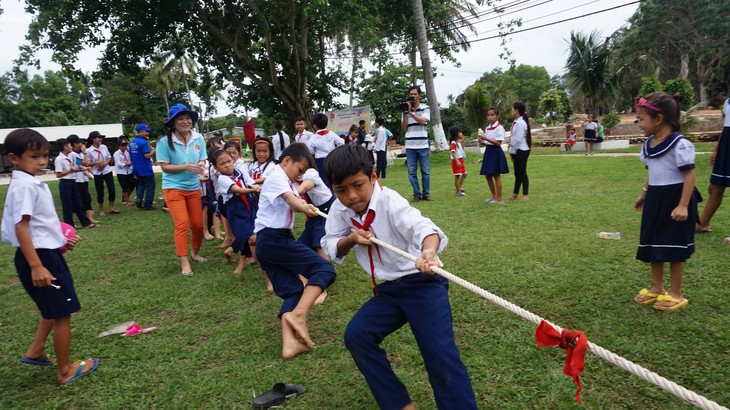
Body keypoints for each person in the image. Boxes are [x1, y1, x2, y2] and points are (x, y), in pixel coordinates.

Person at [321, 144, 477, 410]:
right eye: (341, 190)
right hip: (389, 292)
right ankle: (400, 405)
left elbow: (425, 228)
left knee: (440, 355)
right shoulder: (339, 209)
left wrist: (428, 251)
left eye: (358, 185)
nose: (351, 196)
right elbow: (330, 244)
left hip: (423, 286)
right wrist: (351, 239)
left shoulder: (389, 202)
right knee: (358, 336)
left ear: (373, 176)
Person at [1, 128, 99, 385]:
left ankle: (36, 350)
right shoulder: (24, 187)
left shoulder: (28, 182)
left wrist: (60, 238)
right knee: (62, 313)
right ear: (14, 158)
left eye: (45, 155)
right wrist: (37, 266)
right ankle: (65, 371)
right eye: (35, 156)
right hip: (39, 259)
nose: (43, 161)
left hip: (44, 254)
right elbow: (20, 227)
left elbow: (37, 224)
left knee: (51, 305)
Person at [253, 143, 336, 359]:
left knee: (293, 291)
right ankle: (299, 315)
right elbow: (292, 201)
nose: (299, 176)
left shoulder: (284, 180)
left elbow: (292, 198)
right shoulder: (276, 175)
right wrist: (305, 207)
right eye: (299, 170)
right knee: (324, 268)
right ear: (287, 160)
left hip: (267, 244)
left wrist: (304, 204)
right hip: (274, 240)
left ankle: (289, 344)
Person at [633, 92, 697, 311]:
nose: (638, 124)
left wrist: (683, 205)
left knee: (674, 246)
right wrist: (644, 193)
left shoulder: (680, 144)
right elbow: (653, 171)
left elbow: (689, 174)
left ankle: (676, 293)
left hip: (675, 199)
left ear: (658, 119)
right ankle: (657, 288)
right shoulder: (649, 145)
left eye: (641, 119)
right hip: (655, 199)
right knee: (654, 243)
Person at [155, 103, 208, 277]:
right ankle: (184, 262)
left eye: (188, 118)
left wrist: (200, 166)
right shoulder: (164, 142)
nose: (185, 122)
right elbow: (164, 167)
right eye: (181, 119)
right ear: (173, 122)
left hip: (193, 187)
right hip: (173, 188)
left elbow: (202, 159)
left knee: (198, 225)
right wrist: (185, 166)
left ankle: (195, 253)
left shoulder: (198, 138)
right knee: (182, 224)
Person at [212, 149, 261, 276]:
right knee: (248, 235)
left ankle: (239, 260)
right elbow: (238, 190)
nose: (227, 165)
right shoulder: (222, 179)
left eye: (229, 161)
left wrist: (255, 187)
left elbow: (250, 183)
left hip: (250, 206)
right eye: (222, 164)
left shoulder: (241, 171)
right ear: (216, 167)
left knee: (249, 235)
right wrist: (254, 190)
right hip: (236, 210)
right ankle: (261, 265)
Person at [696, 96, 730, 233]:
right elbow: (725, 127)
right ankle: (703, 224)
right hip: (725, 148)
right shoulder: (728, 102)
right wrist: (717, 149)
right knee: (715, 187)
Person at [54, 138, 94, 229]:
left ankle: (86, 223)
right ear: (65, 147)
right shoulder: (59, 159)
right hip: (65, 183)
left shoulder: (69, 157)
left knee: (78, 203)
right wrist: (71, 169)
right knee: (67, 205)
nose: (71, 147)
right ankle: (69, 226)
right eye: (69, 145)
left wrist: (80, 168)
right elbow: (58, 174)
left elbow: (75, 167)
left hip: (73, 181)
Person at [401, 85, 432, 202]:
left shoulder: (425, 108)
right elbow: (404, 129)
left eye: (415, 94)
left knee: (426, 171)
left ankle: (426, 193)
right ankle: (417, 194)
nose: (413, 96)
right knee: (411, 172)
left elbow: (423, 122)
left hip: (423, 145)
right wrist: (405, 114)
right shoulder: (405, 110)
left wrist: (411, 113)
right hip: (410, 146)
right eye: (411, 94)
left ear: (419, 95)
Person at [479, 107, 510, 204]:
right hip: (488, 151)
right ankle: (494, 196)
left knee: (496, 175)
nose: (490, 117)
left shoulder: (499, 127)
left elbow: (498, 142)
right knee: (488, 175)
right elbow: (486, 142)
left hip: (496, 152)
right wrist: (481, 141)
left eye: (492, 115)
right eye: (488, 115)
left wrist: (486, 138)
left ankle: (499, 198)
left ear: (497, 116)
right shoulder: (488, 128)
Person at [307, 112, 345, 188]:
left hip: (320, 162)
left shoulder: (313, 138)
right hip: (332, 159)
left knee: (324, 181)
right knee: (333, 178)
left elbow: (310, 151)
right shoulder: (331, 134)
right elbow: (342, 142)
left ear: (314, 125)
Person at [67, 135, 99, 224]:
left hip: (83, 179)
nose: (82, 145)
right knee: (80, 199)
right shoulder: (72, 154)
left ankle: (88, 217)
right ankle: (82, 218)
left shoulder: (80, 153)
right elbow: (83, 164)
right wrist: (85, 153)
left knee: (86, 198)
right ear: (75, 144)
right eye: (80, 143)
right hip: (76, 180)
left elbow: (86, 163)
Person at [87, 131, 119, 215]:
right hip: (97, 172)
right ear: (93, 139)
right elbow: (87, 163)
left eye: (101, 137)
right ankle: (101, 209)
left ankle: (111, 207)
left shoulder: (104, 147)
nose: (100, 139)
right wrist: (96, 163)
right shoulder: (89, 150)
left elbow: (109, 157)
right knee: (100, 191)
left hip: (107, 170)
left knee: (111, 189)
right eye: (98, 138)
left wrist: (104, 163)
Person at [130, 123, 157, 211]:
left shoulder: (132, 142)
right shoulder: (143, 142)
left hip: (136, 168)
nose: (148, 133)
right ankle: (147, 205)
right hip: (145, 168)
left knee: (141, 184)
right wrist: (153, 151)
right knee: (150, 186)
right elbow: (146, 156)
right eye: (146, 131)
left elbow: (131, 155)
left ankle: (139, 199)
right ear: (141, 132)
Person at [508, 102, 531, 201]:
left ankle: (525, 194)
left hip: (521, 150)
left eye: (513, 109)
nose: (512, 111)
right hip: (517, 150)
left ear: (517, 110)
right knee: (517, 173)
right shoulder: (516, 122)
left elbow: (518, 139)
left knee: (522, 172)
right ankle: (515, 194)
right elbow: (513, 138)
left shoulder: (521, 123)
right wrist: (512, 150)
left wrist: (512, 151)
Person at [113, 137, 135, 206]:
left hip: (129, 171)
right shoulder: (116, 154)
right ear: (119, 146)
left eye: (125, 145)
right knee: (125, 187)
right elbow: (119, 164)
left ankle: (126, 198)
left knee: (132, 185)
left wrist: (130, 164)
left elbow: (130, 159)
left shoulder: (127, 152)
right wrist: (127, 163)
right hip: (121, 172)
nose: (124, 147)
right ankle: (127, 201)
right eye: (122, 145)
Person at [449, 126, 468, 196]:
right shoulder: (453, 143)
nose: (461, 133)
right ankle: (458, 191)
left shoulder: (458, 142)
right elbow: (453, 152)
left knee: (465, 174)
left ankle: (458, 188)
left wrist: (462, 141)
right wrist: (457, 161)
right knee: (457, 176)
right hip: (456, 160)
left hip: (461, 160)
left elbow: (462, 149)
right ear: (456, 133)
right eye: (460, 132)